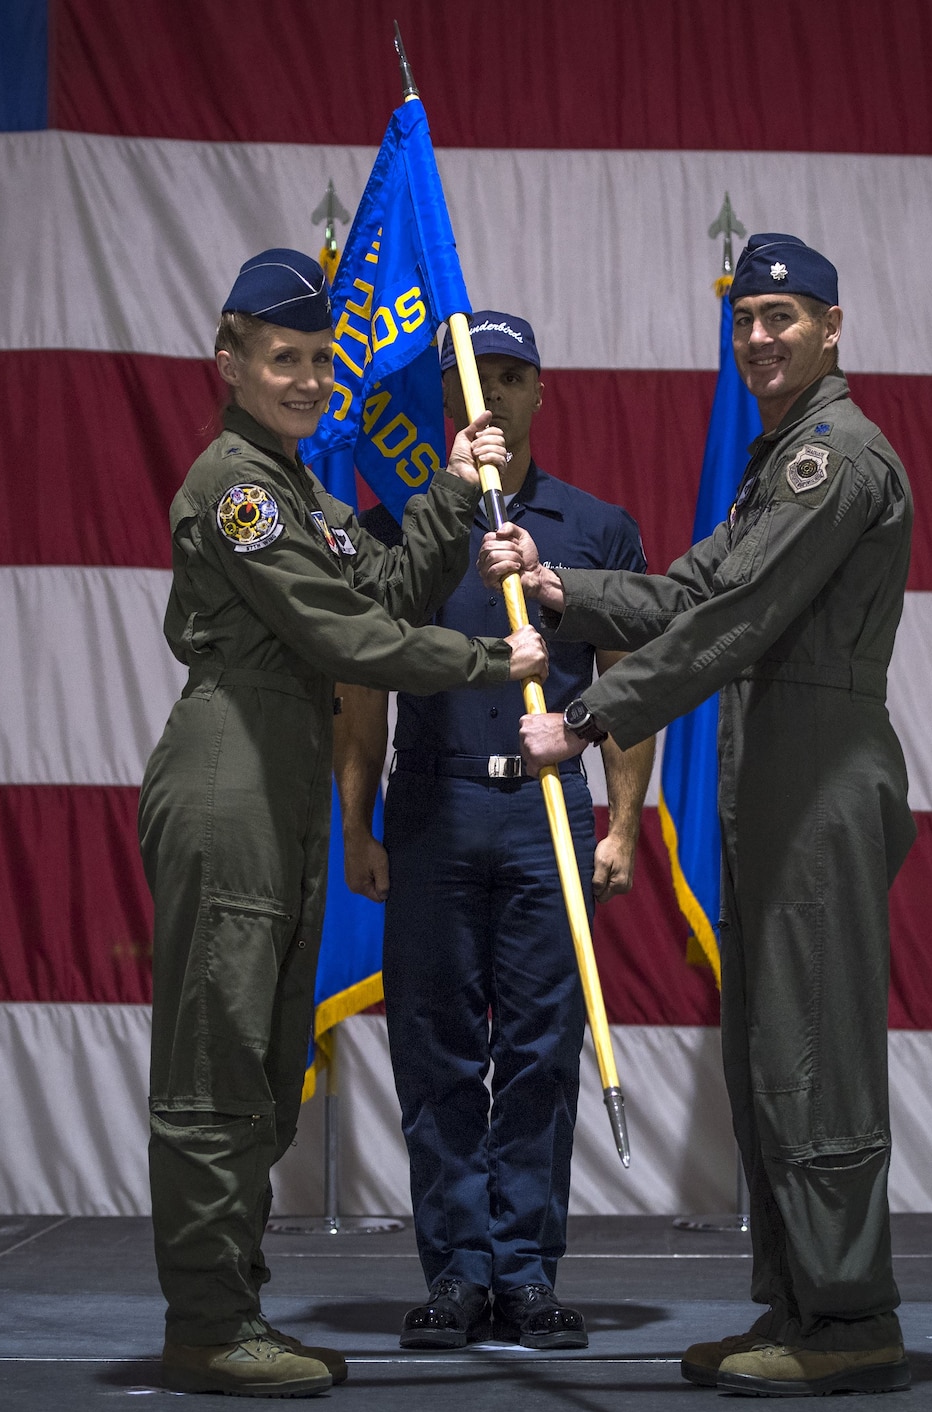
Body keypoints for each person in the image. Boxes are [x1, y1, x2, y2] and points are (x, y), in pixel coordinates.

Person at [479, 234, 917, 1397]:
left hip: (817, 769)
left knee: (814, 1052)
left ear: (831, 327)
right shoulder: (779, 460)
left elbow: (735, 625)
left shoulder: (834, 459)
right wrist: (564, 586)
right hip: (772, 763)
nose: (760, 336)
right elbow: (687, 590)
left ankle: (847, 1317)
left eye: (782, 316)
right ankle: (796, 1304)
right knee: (774, 1050)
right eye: (744, 318)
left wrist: (580, 722)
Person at [140, 250, 548, 1398]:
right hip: (233, 765)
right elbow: (349, 642)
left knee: (267, 1064)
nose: (311, 379)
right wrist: (487, 658)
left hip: (281, 775)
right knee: (218, 1064)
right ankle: (209, 1324)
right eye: (285, 359)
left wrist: (456, 488)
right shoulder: (242, 489)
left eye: (322, 360)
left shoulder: (304, 490)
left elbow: (381, 593)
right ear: (228, 364)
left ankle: (232, 1309)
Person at [332, 312, 655, 1352]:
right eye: (482, 377)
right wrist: (356, 824)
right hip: (428, 808)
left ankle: (523, 1272)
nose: (498, 395)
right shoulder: (399, 531)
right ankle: (455, 1273)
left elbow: (625, 687)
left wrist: (624, 827)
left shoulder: (592, 526)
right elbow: (359, 685)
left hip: (544, 814)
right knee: (430, 1055)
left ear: (540, 393)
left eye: (515, 376)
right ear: (450, 400)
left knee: (536, 1053)